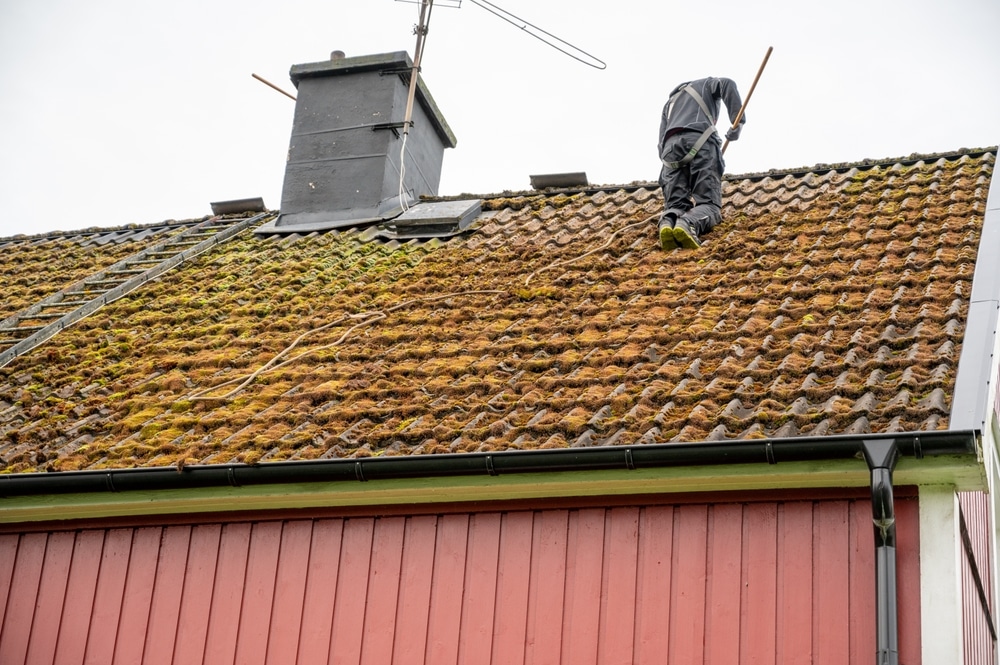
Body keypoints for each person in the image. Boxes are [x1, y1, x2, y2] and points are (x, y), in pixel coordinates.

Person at [657, 77, 745, 250]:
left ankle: (668, 222)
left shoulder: (669, 104)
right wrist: (738, 122)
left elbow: (661, 145)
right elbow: (727, 84)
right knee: (710, 204)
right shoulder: (705, 84)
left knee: (675, 205)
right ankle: (687, 223)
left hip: (669, 153)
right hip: (701, 140)